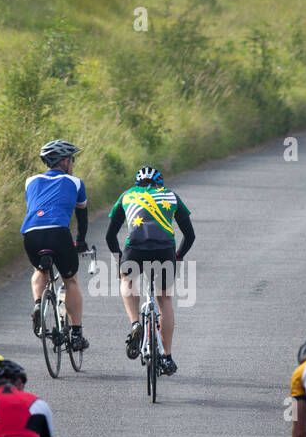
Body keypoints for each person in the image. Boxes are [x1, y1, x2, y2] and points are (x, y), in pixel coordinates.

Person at [104, 165, 194, 375]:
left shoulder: (127, 195)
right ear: (159, 183)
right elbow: (190, 235)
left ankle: (136, 323)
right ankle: (167, 356)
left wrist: (119, 259)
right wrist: (178, 256)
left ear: (138, 184)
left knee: (128, 282)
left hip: (134, 249)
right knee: (164, 300)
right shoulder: (171, 195)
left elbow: (110, 236)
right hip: (164, 250)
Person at [22, 139, 89, 351]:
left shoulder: (30, 180)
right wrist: (81, 242)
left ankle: (38, 304)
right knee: (71, 281)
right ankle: (77, 334)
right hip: (58, 233)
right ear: (64, 162)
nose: (74, 163)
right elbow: (82, 217)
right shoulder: (75, 182)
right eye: (72, 159)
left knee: (40, 270)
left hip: (31, 233)